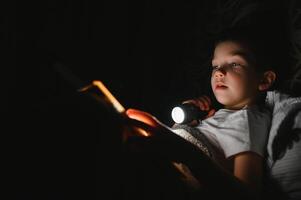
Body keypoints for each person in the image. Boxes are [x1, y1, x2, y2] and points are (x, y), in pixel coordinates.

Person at [123, 27, 279, 199]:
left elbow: (247, 193)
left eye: (235, 64)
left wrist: (189, 154)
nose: (219, 72)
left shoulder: (249, 119)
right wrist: (188, 121)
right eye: (215, 66)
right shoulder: (212, 115)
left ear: (264, 80)